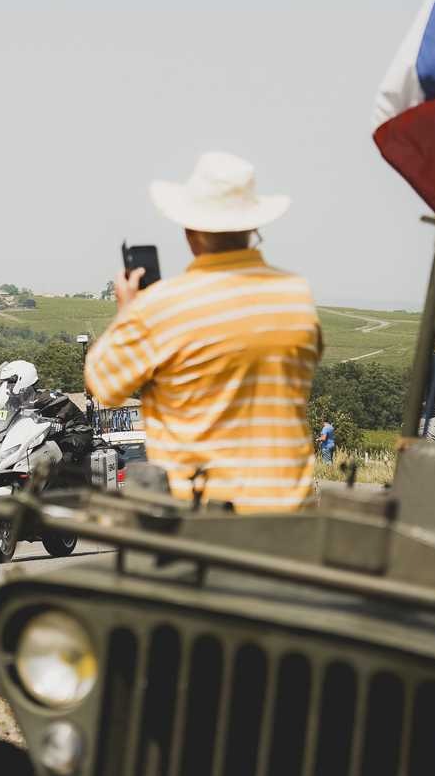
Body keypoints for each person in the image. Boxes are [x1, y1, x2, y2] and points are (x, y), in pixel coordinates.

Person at [84, 150, 320, 511]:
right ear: (252, 228)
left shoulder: (162, 307)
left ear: (190, 230)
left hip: (203, 520)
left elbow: (103, 384)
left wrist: (128, 315)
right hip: (290, 515)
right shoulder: (296, 295)